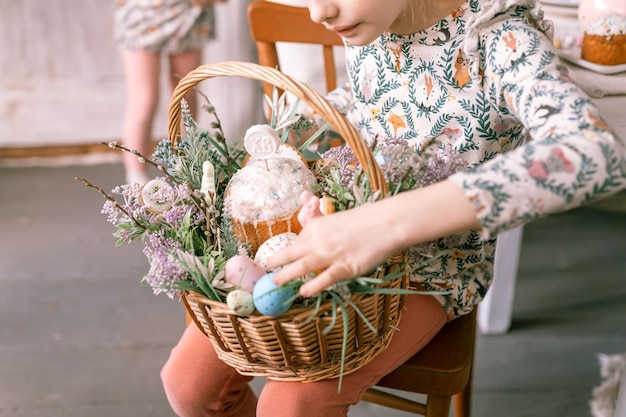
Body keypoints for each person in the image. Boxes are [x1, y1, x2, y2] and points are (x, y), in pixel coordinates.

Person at [160, 0, 626, 416]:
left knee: (291, 403)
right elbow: (368, 105)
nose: (318, 12)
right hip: (337, 227)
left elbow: (593, 153)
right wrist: (293, 135)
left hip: (433, 269)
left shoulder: (501, 38)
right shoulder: (377, 21)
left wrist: (382, 224)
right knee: (188, 385)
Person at [114, 0, 224, 185]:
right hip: (142, 14)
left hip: (189, 15)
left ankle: (189, 168)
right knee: (144, 101)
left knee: (185, 97)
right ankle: (136, 177)